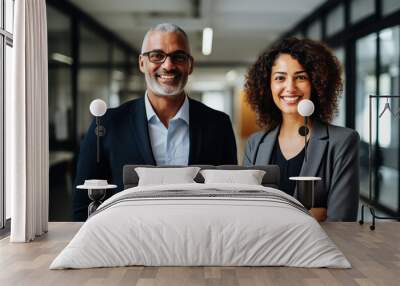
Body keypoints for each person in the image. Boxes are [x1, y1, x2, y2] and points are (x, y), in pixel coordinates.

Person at [73, 23, 237, 221]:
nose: (168, 65)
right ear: (142, 63)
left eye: (178, 56)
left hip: (199, 244)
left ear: (190, 65)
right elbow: (83, 206)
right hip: (126, 245)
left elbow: (230, 200)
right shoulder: (107, 125)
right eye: (157, 56)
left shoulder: (219, 125)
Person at [243, 37, 359, 222]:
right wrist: (314, 214)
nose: (290, 87)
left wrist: (273, 216)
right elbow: (248, 213)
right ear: (268, 85)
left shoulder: (343, 141)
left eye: (301, 77)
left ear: (316, 83)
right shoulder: (256, 144)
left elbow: (341, 219)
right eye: (280, 77)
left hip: (319, 250)